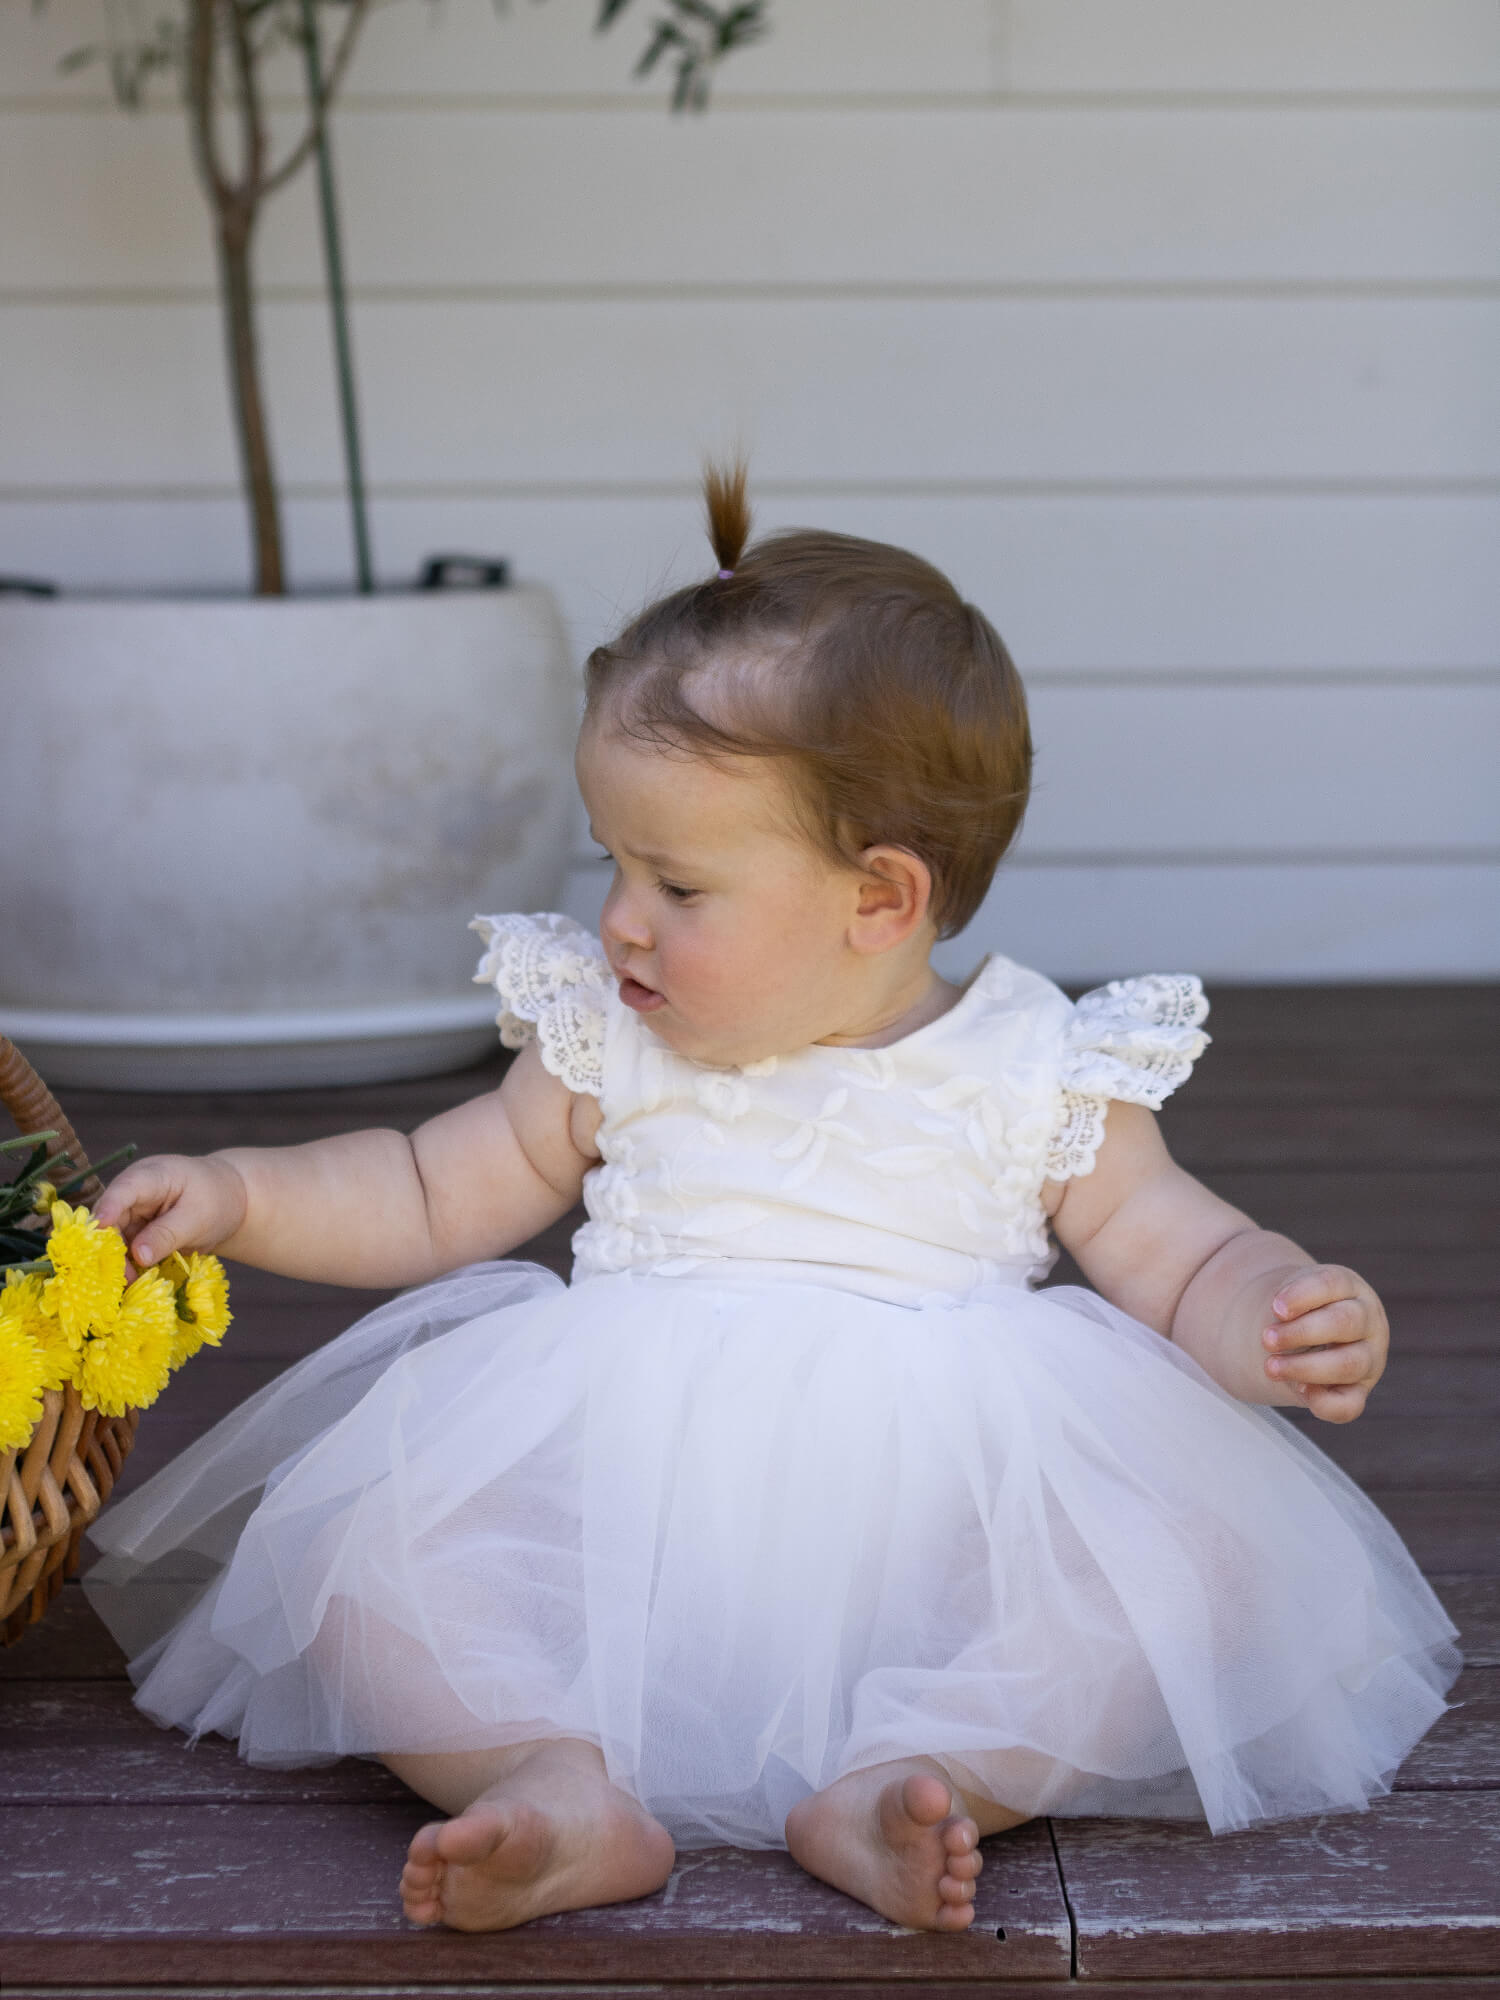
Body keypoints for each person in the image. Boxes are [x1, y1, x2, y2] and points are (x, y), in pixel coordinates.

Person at [87, 464, 1459, 1937]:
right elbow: (427, 1187)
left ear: (880, 899)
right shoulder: (612, 1039)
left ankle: (914, 1774)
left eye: (678, 886)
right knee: (366, 1560)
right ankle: (554, 1778)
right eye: (612, 861)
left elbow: (1174, 1250)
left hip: (948, 1529)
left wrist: (1272, 1311)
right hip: (615, 1512)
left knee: (1198, 1566)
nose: (618, 918)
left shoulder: (1035, 1063)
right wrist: (239, 1191)